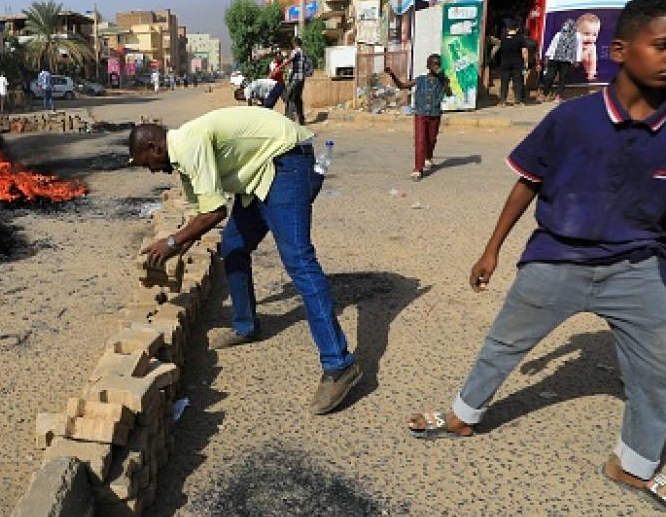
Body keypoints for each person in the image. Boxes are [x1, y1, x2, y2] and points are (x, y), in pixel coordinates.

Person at [405, 0, 666, 516]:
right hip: (556, 258)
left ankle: (634, 465)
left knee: (661, 377)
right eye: (663, 44)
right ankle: (463, 415)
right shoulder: (571, 119)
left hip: (638, 267)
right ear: (620, 50)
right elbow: (526, 184)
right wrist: (492, 250)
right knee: (503, 344)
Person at [128, 107, 361, 415]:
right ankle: (246, 325)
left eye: (148, 164)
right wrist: (175, 250)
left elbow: (215, 213)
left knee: (299, 261)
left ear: (154, 148)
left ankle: (339, 365)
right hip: (259, 176)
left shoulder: (189, 144)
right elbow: (201, 213)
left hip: (287, 164)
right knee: (234, 247)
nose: (152, 172)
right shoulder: (182, 161)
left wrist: (172, 242)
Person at [385, 54, 450, 181]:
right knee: (420, 141)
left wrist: (445, 81)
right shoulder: (420, 80)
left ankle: (428, 157)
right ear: (428, 66)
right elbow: (402, 86)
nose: (436, 66)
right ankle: (418, 169)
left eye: (438, 64)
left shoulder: (442, 81)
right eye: (434, 64)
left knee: (431, 140)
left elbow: (449, 93)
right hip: (420, 113)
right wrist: (392, 74)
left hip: (435, 114)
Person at [539, 19, 581, 102]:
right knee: (549, 77)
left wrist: (577, 60)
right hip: (554, 58)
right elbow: (553, 45)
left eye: (567, 25)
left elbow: (578, 48)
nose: (565, 27)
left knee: (563, 78)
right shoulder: (559, 34)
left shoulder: (577, 36)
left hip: (567, 60)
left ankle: (558, 96)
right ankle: (544, 94)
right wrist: (547, 56)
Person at [494, 22, 529, 105]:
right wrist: (526, 62)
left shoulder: (503, 38)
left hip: (505, 62)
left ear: (507, 29)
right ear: (517, 29)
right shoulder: (520, 38)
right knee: (518, 81)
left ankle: (503, 100)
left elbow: (498, 49)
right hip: (517, 63)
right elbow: (524, 51)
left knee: (504, 81)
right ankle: (518, 100)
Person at [283, 37, 307, 124]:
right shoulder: (303, 52)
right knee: (297, 98)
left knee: (289, 96)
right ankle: (301, 119)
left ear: (294, 43)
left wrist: (280, 67)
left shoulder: (296, 51)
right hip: (302, 78)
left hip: (296, 78)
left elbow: (290, 60)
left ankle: (289, 118)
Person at [576, 13, 603, 82]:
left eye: (594, 35)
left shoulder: (592, 47)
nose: (590, 38)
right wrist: (587, 51)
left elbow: (592, 63)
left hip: (582, 77)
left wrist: (591, 75)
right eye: (586, 34)